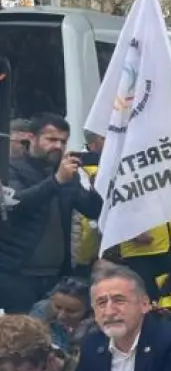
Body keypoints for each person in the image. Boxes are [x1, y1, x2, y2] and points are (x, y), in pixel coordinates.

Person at [0, 114, 103, 313]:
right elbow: (15, 203)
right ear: (31, 138)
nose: (58, 146)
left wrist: (96, 187)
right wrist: (55, 181)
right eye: (51, 139)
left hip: (57, 275)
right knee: (23, 334)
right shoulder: (11, 168)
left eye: (63, 141)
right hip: (17, 274)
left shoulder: (65, 173)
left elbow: (92, 210)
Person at [30, 277, 94, 352]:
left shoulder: (97, 329)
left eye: (71, 311)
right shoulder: (40, 311)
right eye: (57, 307)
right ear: (51, 299)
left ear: (89, 310)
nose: (61, 316)